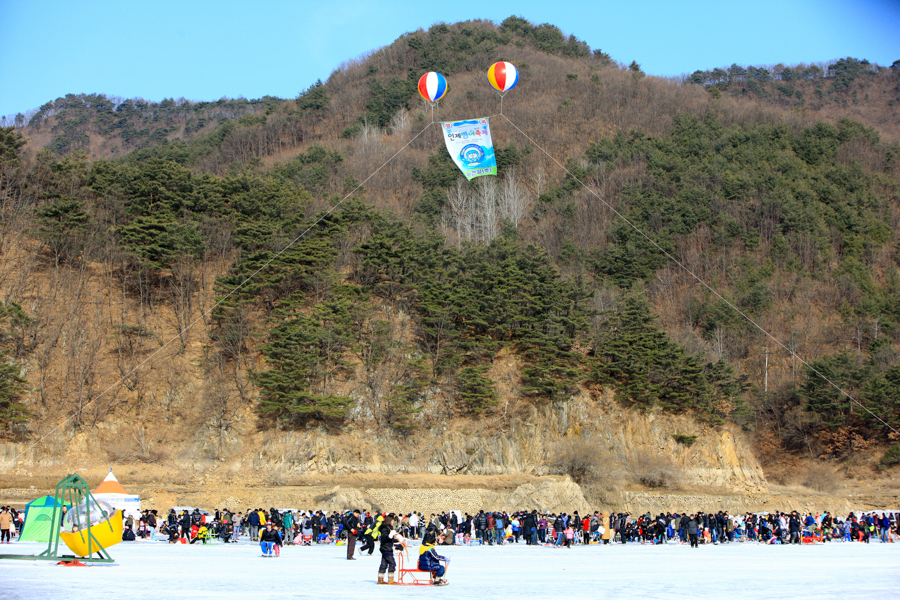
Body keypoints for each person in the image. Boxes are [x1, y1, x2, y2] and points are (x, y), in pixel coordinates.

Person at [376, 514, 406, 585]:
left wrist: (398, 540)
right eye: (392, 521)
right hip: (386, 548)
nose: (393, 522)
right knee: (392, 563)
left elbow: (390, 540)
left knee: (384, 564)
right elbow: (384, 538)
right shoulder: (384, 528)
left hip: (387, 547)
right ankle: (390, 580)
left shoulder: (389, 528)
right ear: (389, 521)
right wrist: (390, 535)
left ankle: (380, 580)